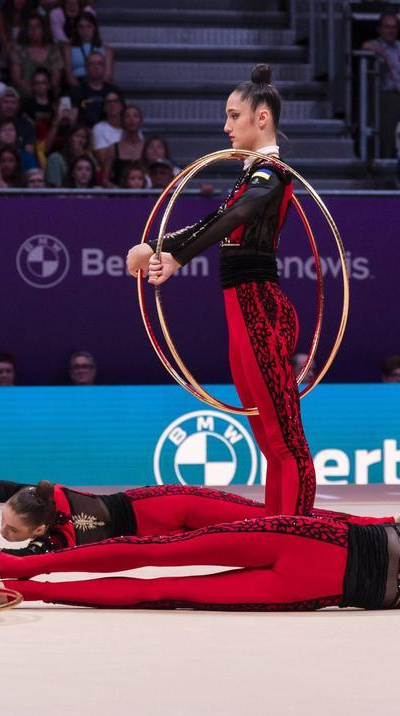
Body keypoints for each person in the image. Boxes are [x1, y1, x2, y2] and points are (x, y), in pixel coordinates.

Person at [125, 65, 316, 516]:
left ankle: (296, 534)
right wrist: (156, 246)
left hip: (260, 311)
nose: (225, 126)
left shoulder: (271, 174)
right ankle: (277, 525)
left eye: (234, 116)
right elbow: (215, 221)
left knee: (285, 437)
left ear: (262, 118)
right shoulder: (251, 175)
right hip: (242, 313)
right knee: (269, 438)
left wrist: (176, 256)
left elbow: (234, 217)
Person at [0, 500, 400, 611]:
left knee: (168, 591)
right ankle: (19, 565)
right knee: (158, 550)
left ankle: (28, 588)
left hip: (304, 588)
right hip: (303, 543)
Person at [0, 480, 394, 571]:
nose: (2, 533)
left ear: (35, 530)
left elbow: (23, 560)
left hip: (184, 506)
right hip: (170, 518)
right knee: (284, 522)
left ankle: (384, 525)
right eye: (2, 523)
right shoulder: (36, 498)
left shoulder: (63, 537)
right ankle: (384, 526)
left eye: (10, 530)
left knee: (286, 519)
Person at [361, 11, 400, 159]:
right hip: (386, 97)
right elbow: (365, 46)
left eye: (394, 27)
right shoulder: (376, 44)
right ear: (380, 29)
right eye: (387, 27)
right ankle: (385, 162)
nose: (390, 30)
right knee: (387, 133)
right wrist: (384, 55)